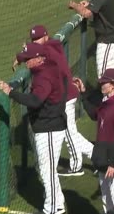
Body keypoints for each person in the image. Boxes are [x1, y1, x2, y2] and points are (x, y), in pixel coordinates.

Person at [0, 42, 67, 214]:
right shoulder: (46, 66)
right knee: (46, 168)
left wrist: (10, 92)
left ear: (38, 59)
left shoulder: (44, 77)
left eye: (29, 59)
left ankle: (51, 211)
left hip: (50, 128)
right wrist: (19, 58)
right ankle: (57, 203)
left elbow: (35, 101)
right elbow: (27, 57)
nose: (26, 62)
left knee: (47, 170)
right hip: (49, 125)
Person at [13, 25, 93, 176]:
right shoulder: (52, 45)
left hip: (65, 96)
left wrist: (22, 54)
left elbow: (37, 57)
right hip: (65, 91)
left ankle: (77, 166)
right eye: (33, 40)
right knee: (70, 133)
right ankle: (95, 156)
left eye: (38, 39)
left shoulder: (47, 51)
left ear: (46, 36)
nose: (36, 42)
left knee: (69, 134)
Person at [73, 69, 114, 213]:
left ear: (113, 85)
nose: (101, 85)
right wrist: (83, 93)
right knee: (107, 202)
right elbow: (94, 114)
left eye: (105, 83)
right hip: (103, 159)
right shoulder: (107, 102)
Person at [68, 0, 114, 78]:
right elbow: (103, 4)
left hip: (108, 41)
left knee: (105, 79)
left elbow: (86, 13)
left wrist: (74, 5)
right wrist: (90, 4)